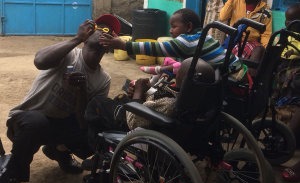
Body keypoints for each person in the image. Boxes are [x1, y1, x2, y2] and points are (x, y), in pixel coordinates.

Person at [0, 14, 121, 183]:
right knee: (37, 123)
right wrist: (76, 38)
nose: (103, 31)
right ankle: (12, 181)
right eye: (100, 27)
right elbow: (39, 61)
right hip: (30, 118)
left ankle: (58, 151)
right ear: (89, 31)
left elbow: (84, 120)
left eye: (109, 31)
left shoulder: (103, 80)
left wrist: (82, 90)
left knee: (93, 136)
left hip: (62, 124)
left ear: (110, 45)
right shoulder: (69, 54)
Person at [83, 57, 215, 159]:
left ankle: (97, 151)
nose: (176, 71)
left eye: (179, 70)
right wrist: (146, 90)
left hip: (131, 119)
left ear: (183, 78)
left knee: (97, 103)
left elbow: (133, 121)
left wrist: (138, 93)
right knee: (125, 88)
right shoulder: (191, 100)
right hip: (147, 108)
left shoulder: (168, 104)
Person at [99, 8, 242, 74]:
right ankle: (160, 70)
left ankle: (160, 71)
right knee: (182, 64)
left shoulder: (187, 42)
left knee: (182, 67)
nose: (170, 31)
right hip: (235, 69)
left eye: (174, 27)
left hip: (229, 76)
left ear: (189, 27)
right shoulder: (204, 36)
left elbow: (156, 48)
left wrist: (124, 45)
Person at [272, 3, 300, 182]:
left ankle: (285, 140)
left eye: (294, 22)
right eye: (287, 21)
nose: (288, 25)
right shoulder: (283, 37)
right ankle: (285, 140)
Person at [219, 0, 272, 66]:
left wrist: (266, 49)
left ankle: (247, 78)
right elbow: (223, 16)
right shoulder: (235, 1)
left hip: (252, 43)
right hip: (234, 40)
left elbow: (266, 33)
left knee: (257, 54)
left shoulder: (265, 10)